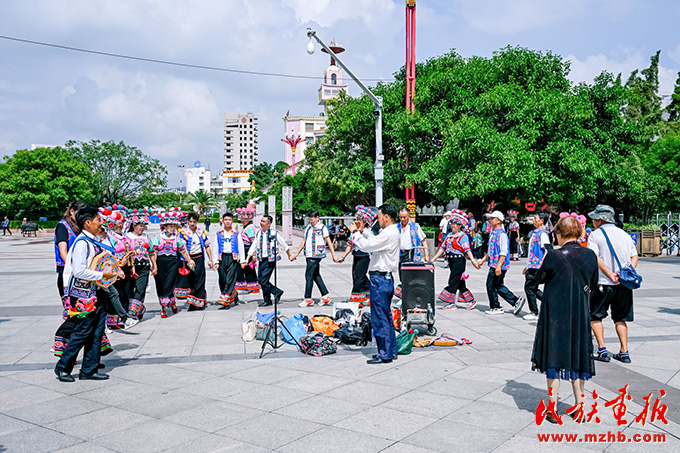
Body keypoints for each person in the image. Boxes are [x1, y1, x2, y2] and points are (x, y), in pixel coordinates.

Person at [531, 216, 598, 423]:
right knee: (578, 358)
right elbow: (593, 284)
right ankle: (580, 407)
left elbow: (539, 279)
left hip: (556, 313)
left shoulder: (554, 255)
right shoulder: (590, 255)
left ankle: (552, 408)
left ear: (559, 233)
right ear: (579, 233)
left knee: (554, 356)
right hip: (579, 312)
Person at [54, 205, 119, 382]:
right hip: (83, 296)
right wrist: (102, 275)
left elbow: (98, 263)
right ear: (88, 223)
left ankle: (89, 369)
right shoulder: (82, 243)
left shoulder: (93, 241)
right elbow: (79, 271)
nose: (101, 223)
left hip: (97, 292)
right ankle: (62, 368)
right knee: (82, 332)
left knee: (97, 332)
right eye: (99, 220)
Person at [349, 204, 400, 364]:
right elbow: (373, 240)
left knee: (379, 318)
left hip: (380, 279)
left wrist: (355, 233)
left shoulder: (389, 233)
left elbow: (367, 246)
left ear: (386, 217)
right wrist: (363, 230)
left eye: (379, 217)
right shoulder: (390, 232)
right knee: (385, 316)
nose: (377, 220)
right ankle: (391, 350)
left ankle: (384, 354)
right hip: (385, 278)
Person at [587, 204, 638, 364]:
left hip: (603, 282)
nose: (593, 221)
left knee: (595, 316)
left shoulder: (595, 235)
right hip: (623, 284)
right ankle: (624, 351)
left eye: (594, 218)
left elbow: (594, 257)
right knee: (620, 318)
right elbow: (634, 257)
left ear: (600, 219)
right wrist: (625, 273)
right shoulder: (624, 235)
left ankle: (602, 350)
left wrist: (609, 273)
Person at [430, 211, 481, 310]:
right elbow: (442, 248)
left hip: (459, 262)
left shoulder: (463, 236)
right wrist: (434, 258)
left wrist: (474, 261)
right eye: (452, 223)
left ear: (459, 226)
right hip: (451, 262)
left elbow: (467, 250)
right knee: (460, 284)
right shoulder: (449, 236)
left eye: (455, 224)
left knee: (453, 281)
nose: (452, 225)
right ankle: (471, 301)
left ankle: (451, 302)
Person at [479, 211, 525, 315]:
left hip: (499, 265)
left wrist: (499, 266)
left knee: (491, 285)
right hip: (494, 264)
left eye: (492, 218)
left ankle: (496, 306)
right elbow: (490, 251)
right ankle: (515, 301)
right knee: (497, 285)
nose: (490, 220)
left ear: (498, 220)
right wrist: (482, 260)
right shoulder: (493, 232)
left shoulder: (502, 235)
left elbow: (503, 252)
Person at [151, 211, 194, 318]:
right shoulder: (159, 237)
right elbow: (154, 252)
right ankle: (168, 303)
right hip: (160, 262)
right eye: (170, 226)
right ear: (164, 227)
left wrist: (189, 260)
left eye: (174, 226)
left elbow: (183, 250)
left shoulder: (177, 238)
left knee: (170, 283)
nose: (172, 228)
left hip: (173, 262)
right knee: (160, 284)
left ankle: (165, 306)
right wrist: (154, 266)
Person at [293, 210, 339, 307]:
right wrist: (297, 253)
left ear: (317, 218)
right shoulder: (308, 228)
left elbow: (328, 241)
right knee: (315, 275)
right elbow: (304, 241)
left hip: (316, 255)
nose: (310, 221)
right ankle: (325, 296)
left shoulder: (322, 228)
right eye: (309, 220)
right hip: (309, 254)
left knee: (308, 276)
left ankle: (308, 298)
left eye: (312, 219)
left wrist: (333, 255)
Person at [246, 215, 293, 307]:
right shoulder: (259, 233)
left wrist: (290, 256)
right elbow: (253, 246)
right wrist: (248, 258)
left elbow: (284, 245)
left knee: (263, 280)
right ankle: (276, 292)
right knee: (260, 280)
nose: (261, 223)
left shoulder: (274, 234)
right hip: (261, 259)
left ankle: (268, 300)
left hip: (270, 260)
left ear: (269, 224)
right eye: (261, 221)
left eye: (264, 221)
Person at [339, 205, 377, 304]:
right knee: (358, 277)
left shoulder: (368, 232)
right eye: (357, 219)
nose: (357, 221)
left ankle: (356, 300)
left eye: (360, 220)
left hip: (364, 257)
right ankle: (369, 295)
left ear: (365, 222)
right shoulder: (354, 233)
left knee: (359, 279)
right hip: (356, 256)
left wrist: (360, 231)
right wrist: (343, 256)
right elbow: (350, 244)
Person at [177, 212, 214, 310]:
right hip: (188, 258)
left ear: (197, 222)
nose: (192, 224)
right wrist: (188, 259)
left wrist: (210, 259)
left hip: (199, 257)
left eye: (194, 222)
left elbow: (207, 246)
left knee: (200, 279)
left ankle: (199, 302)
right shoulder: (183, 232)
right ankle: (194, 302)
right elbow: (183, 247)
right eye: (190, 222)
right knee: (191, 280)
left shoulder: (201, 232)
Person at [125, 212, 156, 320]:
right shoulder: (127, 237)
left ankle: (133, 313)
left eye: (144, 226)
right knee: (129, 289)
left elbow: (151, 252)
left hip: (144, 266)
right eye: (140, 225)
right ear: (134, 225)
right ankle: (131, 310)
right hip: (131, 266)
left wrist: (154, 265)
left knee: (140, 289)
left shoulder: (146, 237)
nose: (142, 228)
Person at [522, 212, 552, 321]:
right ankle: (549, 302)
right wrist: (527, 266)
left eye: (535, 218)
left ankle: (534, 312)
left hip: (537, 267)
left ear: (541, 221)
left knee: (529, 288)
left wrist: (542, 264)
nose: (533, 220)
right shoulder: (535, 233)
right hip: (532, 266)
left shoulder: (542, 234)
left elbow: (547, 250)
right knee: (532, 288)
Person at [395, 208, 429, 299]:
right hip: (399, 254)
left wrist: (426, 254)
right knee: (401, 275)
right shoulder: (396, 227)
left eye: (404, 217)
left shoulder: (415, 226)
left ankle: (407, 296)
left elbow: (423, 241)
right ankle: (405, 295)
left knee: (409, 276)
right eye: (401, 217)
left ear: (409, 217)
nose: (402, 219)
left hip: (411, 253)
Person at [214, 212, 245, 308]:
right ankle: (233, 294)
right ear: (223, 221)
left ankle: (225, 299)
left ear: (232, 221)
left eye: (229, 220)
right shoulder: (219, 234)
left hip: (233, 258)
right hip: (221, 258)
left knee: (230, 279)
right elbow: (215, 247)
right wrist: (215, 261)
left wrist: (242, 260)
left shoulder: (236, 234)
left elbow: (241, 247)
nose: (227, 222)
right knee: (222, 279)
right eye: (226, 220)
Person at [235, 207, 260, 294]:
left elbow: (253, 242)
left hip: (248, 250)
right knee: (248, 268)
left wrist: (254, 254)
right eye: (242, 220)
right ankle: (252, 286)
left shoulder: (250, 228)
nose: (243, 221)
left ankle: (252, 286)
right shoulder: (247, 227)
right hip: (245, 250)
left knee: (247, 268)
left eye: (245, 220)